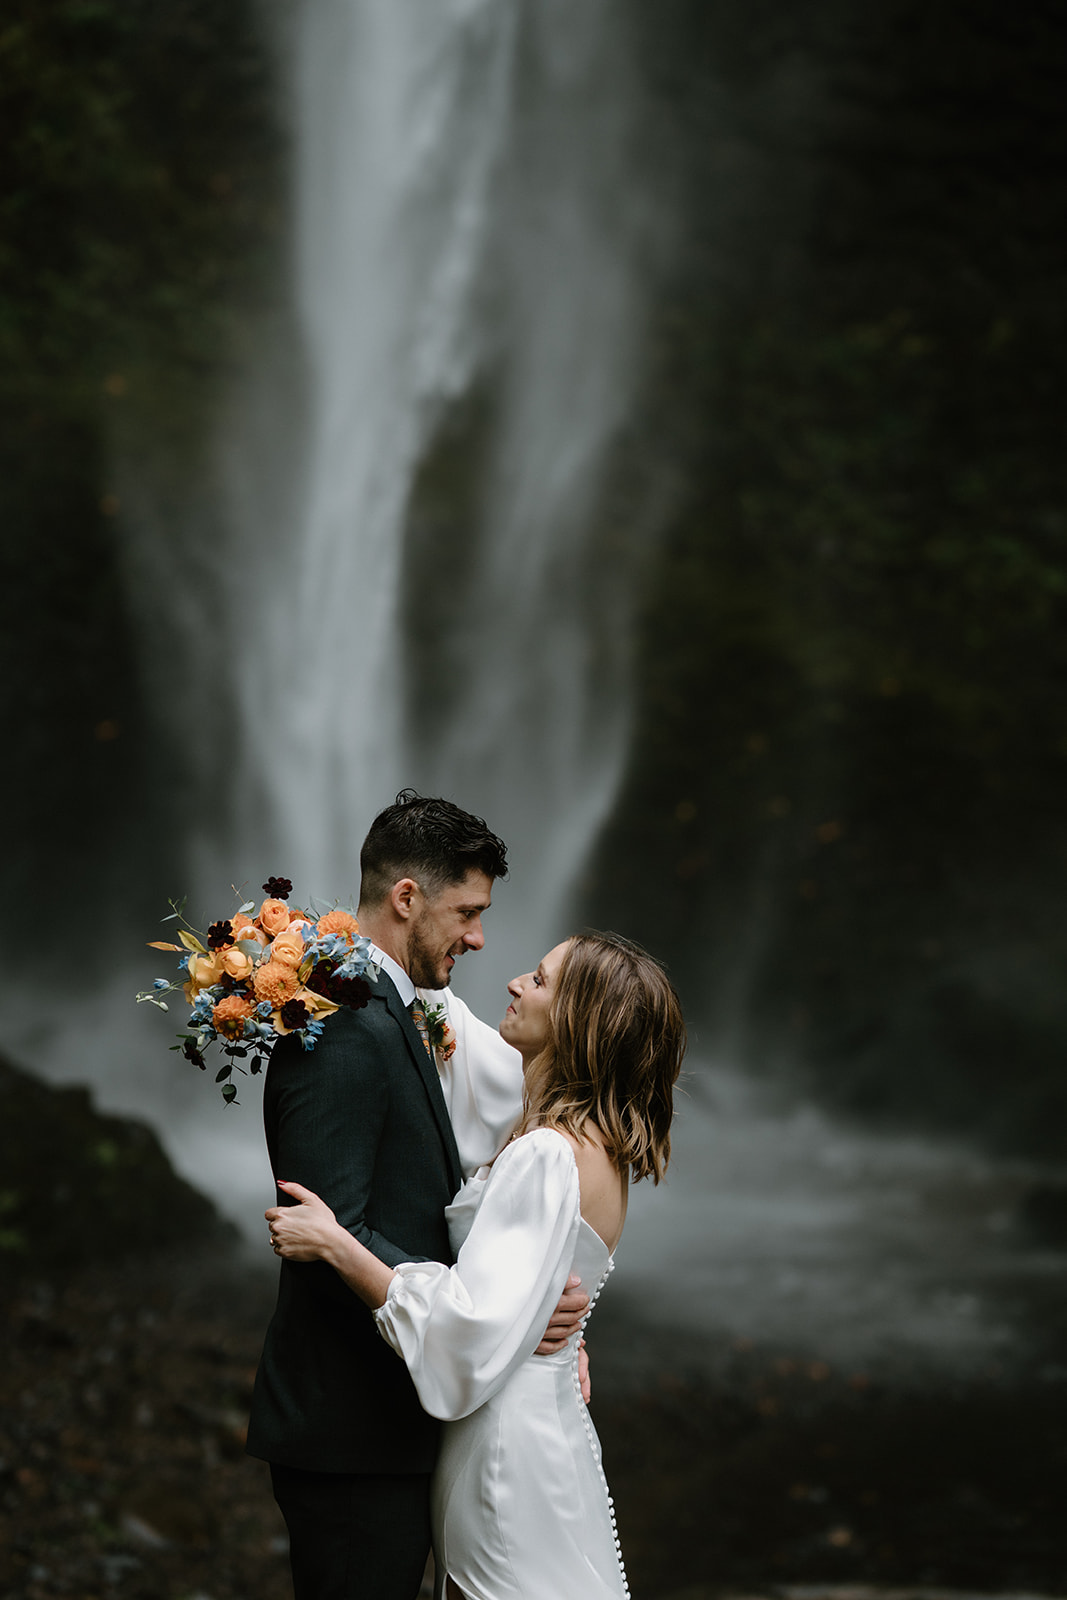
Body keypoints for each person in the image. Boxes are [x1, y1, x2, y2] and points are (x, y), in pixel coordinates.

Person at [267, 930, 686, 1600]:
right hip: (540, 1420)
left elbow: (468, 1331)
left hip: (501, 1442)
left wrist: (338, 1244)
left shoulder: (547, 1153)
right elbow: (428, 1001)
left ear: (578, 1022)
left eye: (541, 980)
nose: (517, 982)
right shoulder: (590, 1143)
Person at [245, 792, 590, 1600]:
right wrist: (497, 1317)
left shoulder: (401, 1009)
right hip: (352, 1434)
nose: (478, 936)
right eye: (466, 912)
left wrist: (520, 1291)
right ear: (407, 898)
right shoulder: (335, 1022)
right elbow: (328, 1227)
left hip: (395, 1424)